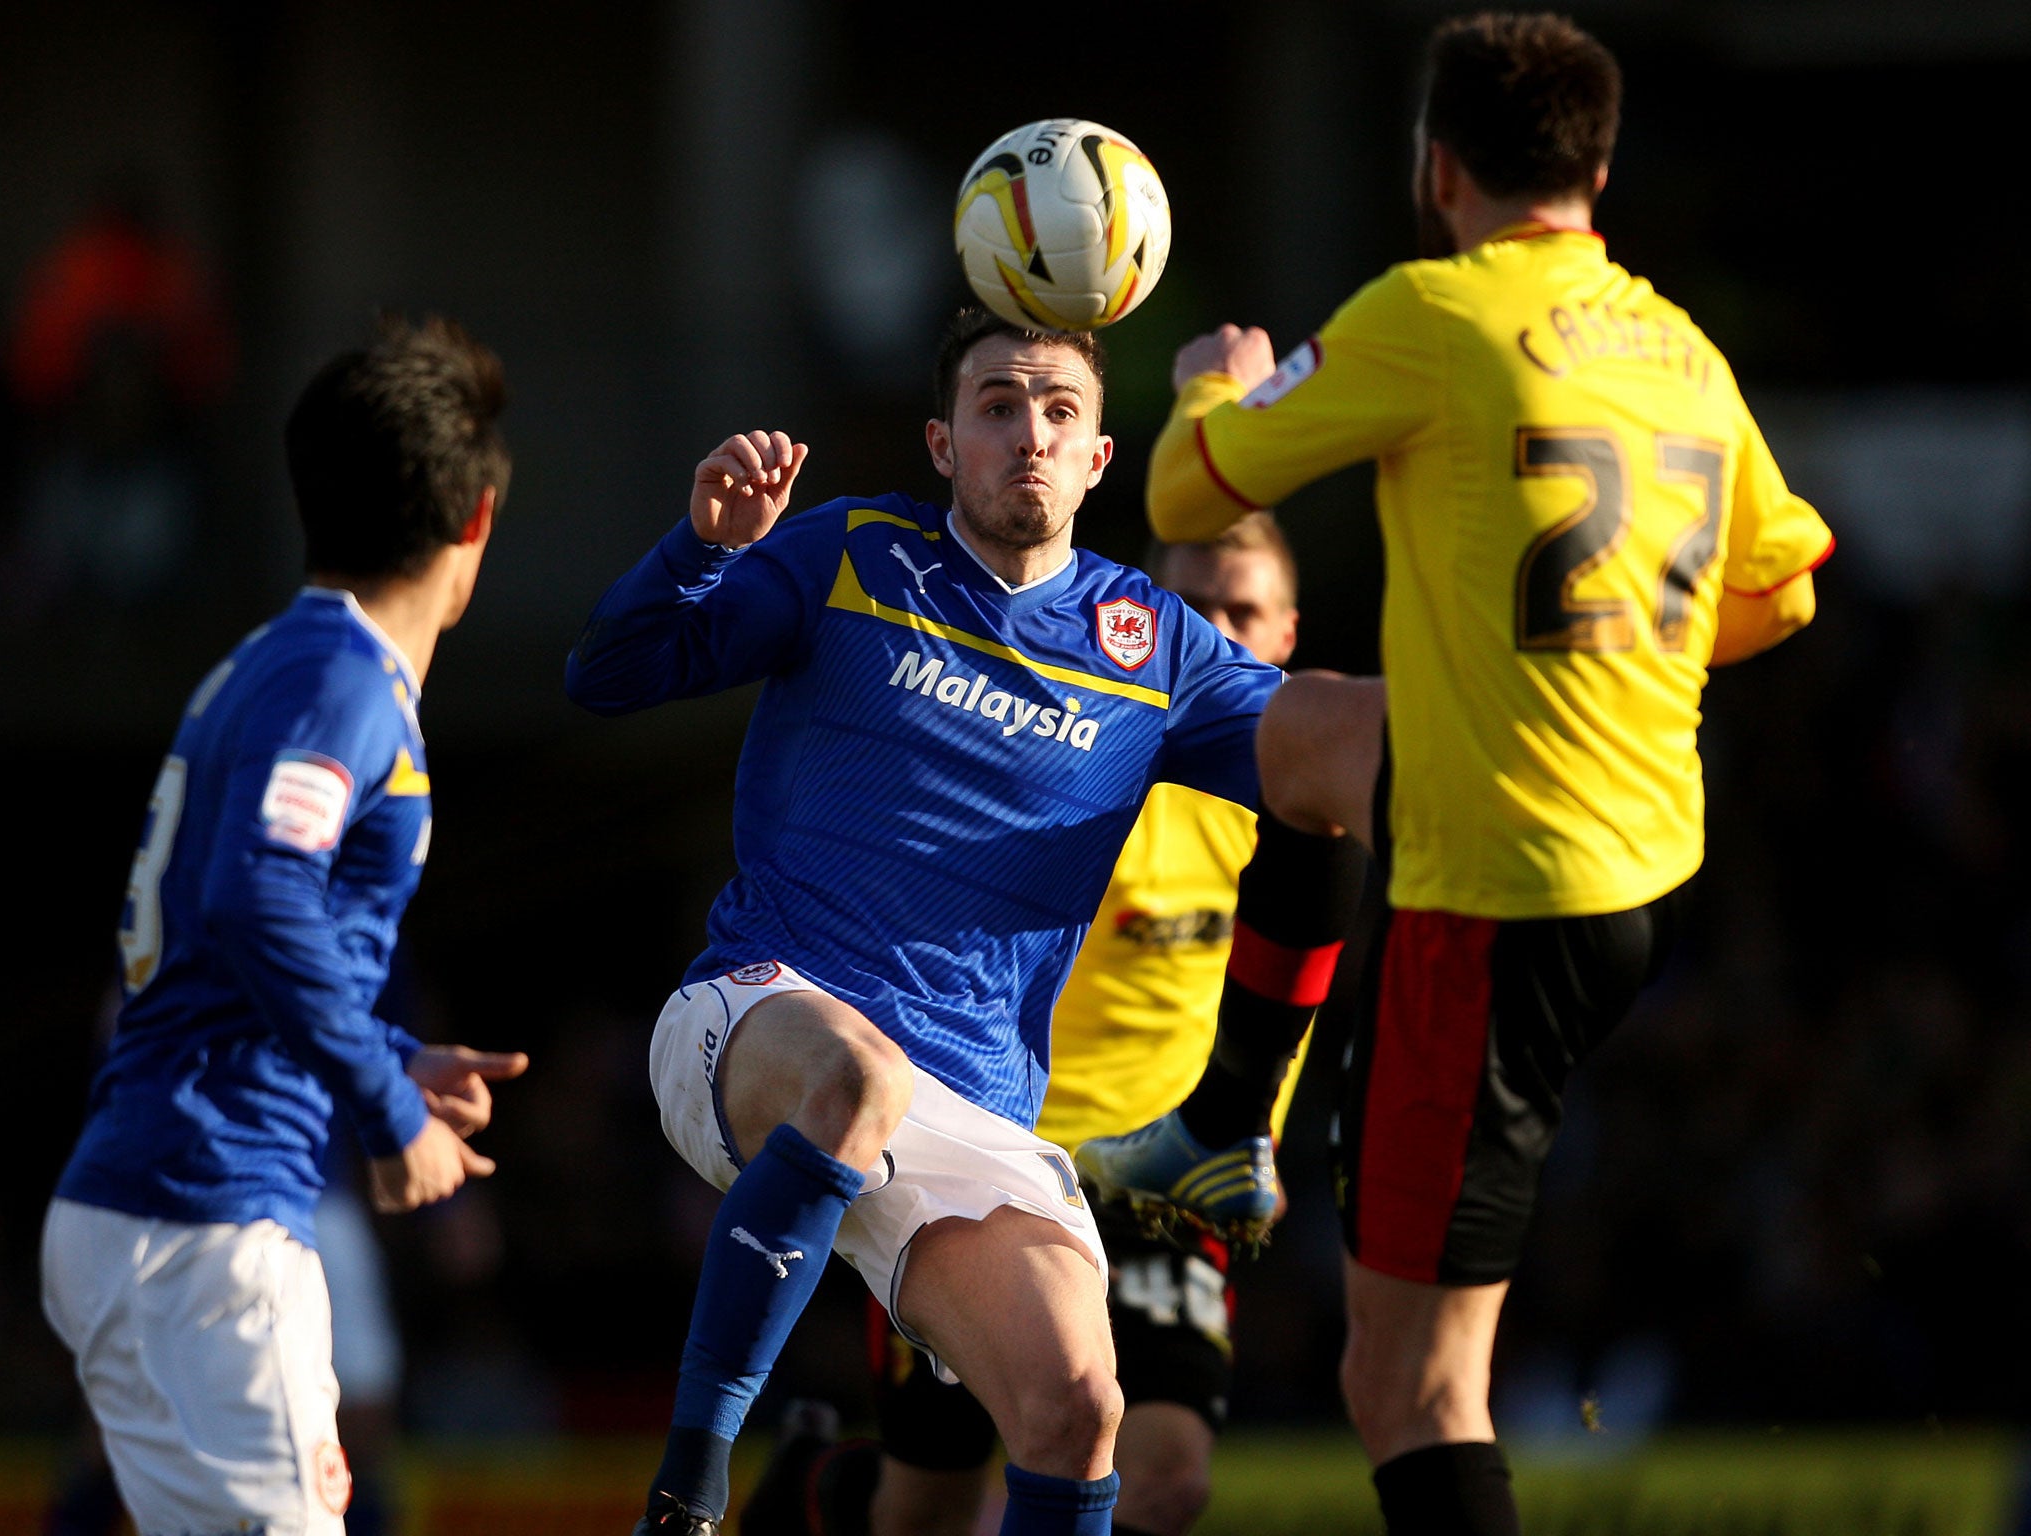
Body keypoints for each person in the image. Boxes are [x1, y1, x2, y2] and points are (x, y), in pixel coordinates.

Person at [1072, 15, 1834, 1535]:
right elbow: (1784, 587)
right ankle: (1230, 1112)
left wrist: (1221, 384)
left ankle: (1224, 1121)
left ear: (1437, 170)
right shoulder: (1677, 343)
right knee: (1311, 739)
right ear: (1599, 171)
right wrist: (1615, 658)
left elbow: (1176, 491)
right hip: (1641, 875)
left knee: (1409, 1388)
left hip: (1491, 900)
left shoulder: (1435, 312)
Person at [565, 308, 1283, 1536]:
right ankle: (685, 1494)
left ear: (1102, 456)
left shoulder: (1152, 647)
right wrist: (701, 547)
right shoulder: (850, 554)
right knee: (857, 1076)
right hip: (756, 1016)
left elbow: (1323, 753)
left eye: (1059, 411)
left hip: (978, 1113)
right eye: (997, 408)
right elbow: (607, 675)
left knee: (1072, 1412)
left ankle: (816, 1493)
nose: (1030, 436)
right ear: (943, 442)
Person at [41, 316, 530, 1536]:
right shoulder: (343, 682)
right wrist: (383, 1103)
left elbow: (237, 928)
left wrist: (388, 1060)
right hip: (206, 1221)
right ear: (475, 521)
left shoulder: (273, 664)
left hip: (162, 1202)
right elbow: (256, 897)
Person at [738, 516, 1313, 1536]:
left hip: (1160, 1186)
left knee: (1167, 1477)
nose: (1221, 630)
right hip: (1000, 1161)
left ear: (1287, 635)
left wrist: (1247, 1124)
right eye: (1199, 611)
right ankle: (817, 1499)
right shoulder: (1084, 769)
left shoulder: (1295, 803)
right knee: (934, 1506)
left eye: (1246, 612)